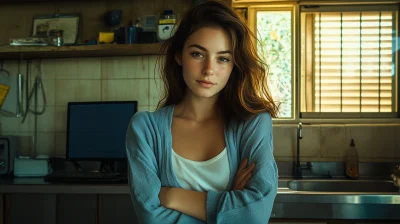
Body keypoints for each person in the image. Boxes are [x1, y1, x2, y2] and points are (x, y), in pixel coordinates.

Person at [125, 0, 279, 223]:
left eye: (223, 59)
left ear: (233, 66)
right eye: (198, 54)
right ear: (179, 56)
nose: (209, 70)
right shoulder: (145, 129)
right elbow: (151, 218)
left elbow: (255, 215)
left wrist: (172, 195)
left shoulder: (252, 123)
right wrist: (230, 203)